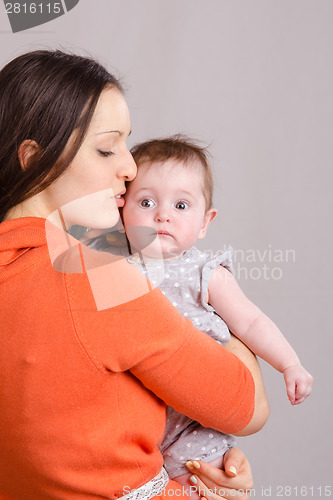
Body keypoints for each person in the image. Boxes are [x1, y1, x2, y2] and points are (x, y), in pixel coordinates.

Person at [0, 50, 268, 500]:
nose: (129, 168)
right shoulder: (97, 280)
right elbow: (246, 407)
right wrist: (222, 305)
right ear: (33, 157)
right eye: (107, 148)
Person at [106, 135, 313, 495]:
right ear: (122, 212)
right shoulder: (110, 268)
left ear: (205, 222)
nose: (162, 214)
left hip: (195, 423)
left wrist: (289, 364)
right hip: (135, 420)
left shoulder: (206, 273)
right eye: (146, 201)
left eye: (181, 205)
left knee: (202, 484)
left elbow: (250, 322)